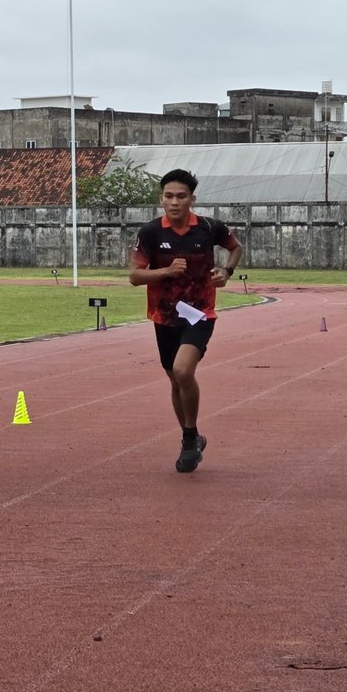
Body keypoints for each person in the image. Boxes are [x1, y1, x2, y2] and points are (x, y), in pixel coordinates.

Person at [128, 168, 242, 474]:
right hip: (164, 316)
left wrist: (226, 272)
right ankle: (190, 437)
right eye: (168, 196)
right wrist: (164, 272)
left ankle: (190, 436)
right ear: (161, 198)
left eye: (181, 196)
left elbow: (235, 247)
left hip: (200, 312)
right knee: (174, 378)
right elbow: (135, 276)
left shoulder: (209, 227)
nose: (174, 202)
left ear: (192, 199)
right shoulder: (150, 233)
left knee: (182, 369)